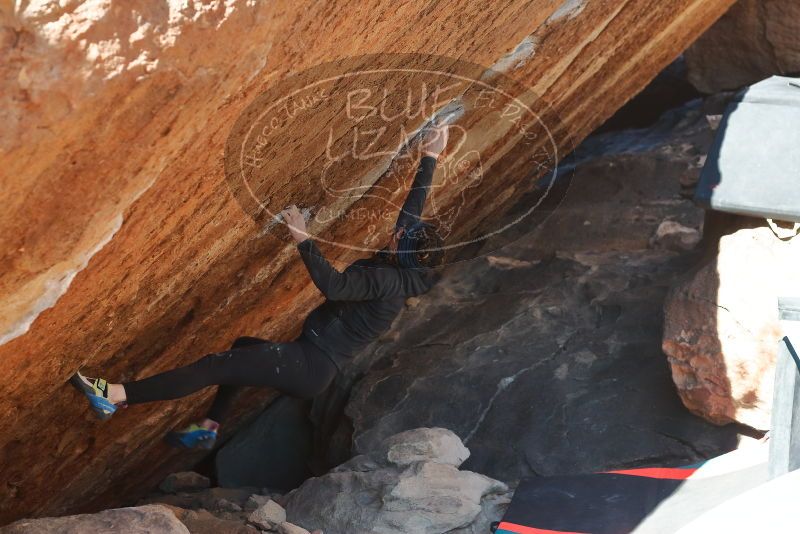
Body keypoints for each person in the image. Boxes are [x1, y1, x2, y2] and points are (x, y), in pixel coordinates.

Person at [70, 123, 450, 449]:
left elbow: (333, 286)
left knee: (214, 367)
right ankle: (209, 428)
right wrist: (430, 156)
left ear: (405, 250)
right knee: (242, 350)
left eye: (401, 235)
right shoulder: (405, 266)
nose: (397, 231)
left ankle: (114, 396)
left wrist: (302, 236)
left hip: (308, 365)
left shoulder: (385, 281)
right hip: (311, 362)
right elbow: (410, 215)